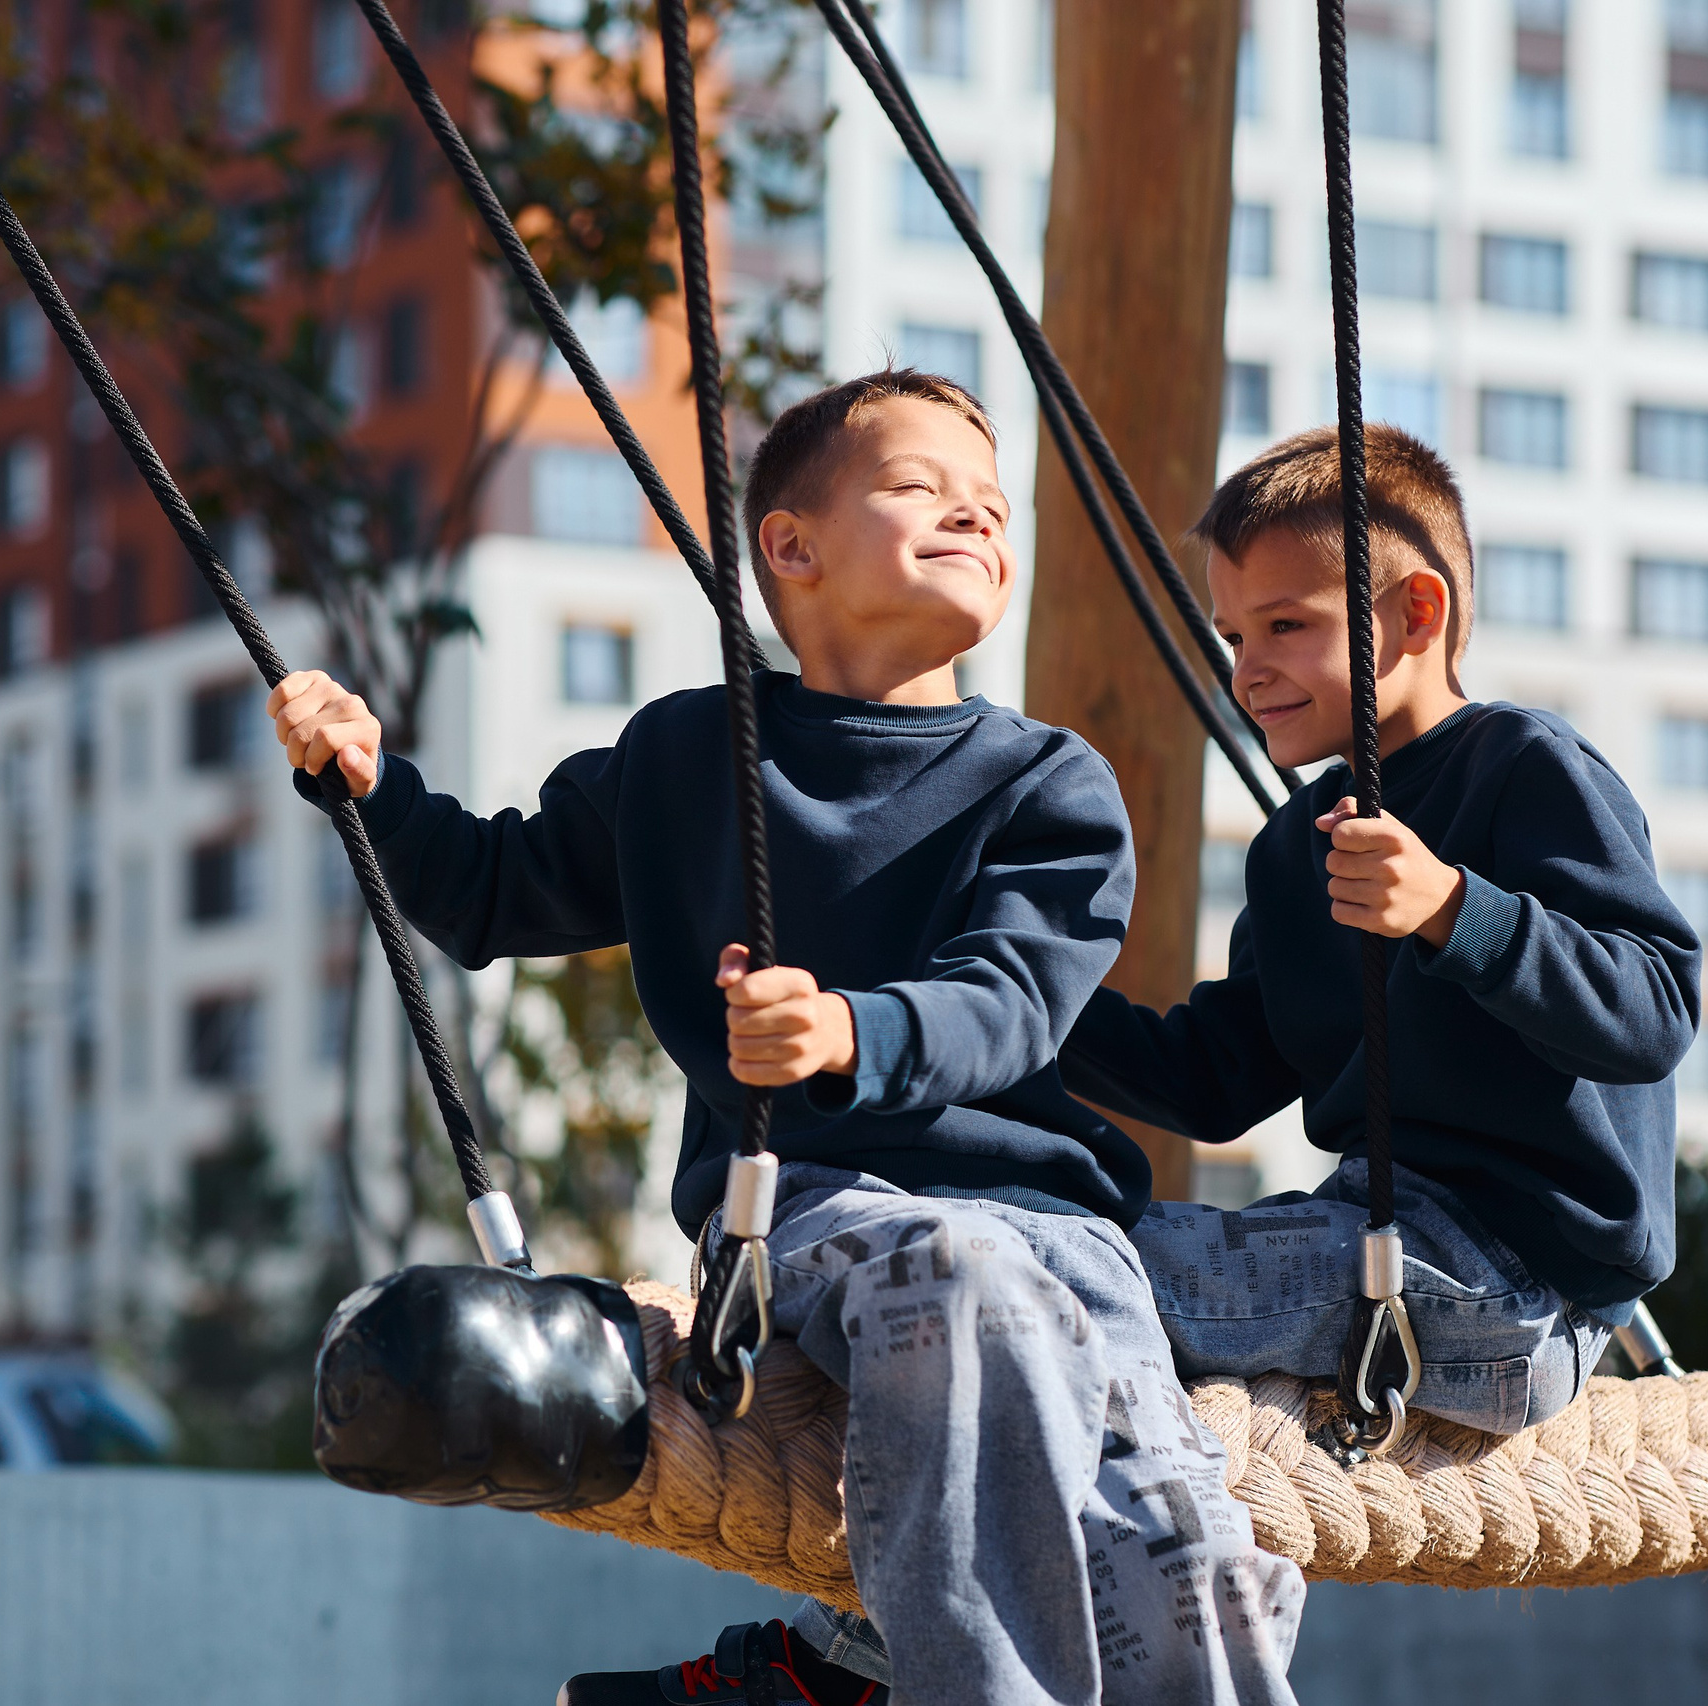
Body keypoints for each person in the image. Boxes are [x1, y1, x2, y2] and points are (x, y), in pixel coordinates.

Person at [270, 370, 1302, 1706]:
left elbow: (1013, 1000)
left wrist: (845, 1029)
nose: (978, 517)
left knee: (1177, 1538)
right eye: (926, 489)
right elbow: (488, 888)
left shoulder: (1049, 782)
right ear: (792, 547)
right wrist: (369, 783)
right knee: (963, 1272)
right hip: (814, 1204)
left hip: (1062, 1227)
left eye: (995, 505)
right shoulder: (692, 756)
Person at [1061, 424, 1701, 1441]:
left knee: (1074, 1275)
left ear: (1415, 614)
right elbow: (1213, 1076)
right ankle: (868, 1607)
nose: (1247, 671)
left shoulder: (1522, 766)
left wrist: (1456, 908)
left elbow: (1652, 1011)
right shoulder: (1290, 848)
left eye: (1283, 625)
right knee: (1051, 1236)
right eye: (1232, 637)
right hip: (1362, 1237)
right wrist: (1016, 1007)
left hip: (1519, 1279)